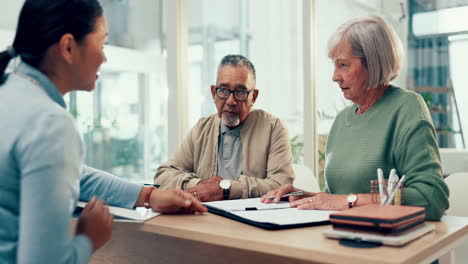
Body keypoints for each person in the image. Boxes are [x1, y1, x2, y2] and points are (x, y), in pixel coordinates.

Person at [0, 1, 206, 263]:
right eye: (102, 43)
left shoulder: (10, 94)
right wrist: (89, 239)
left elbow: (71, 174)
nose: (104, 57)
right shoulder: (49, 123)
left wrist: (148, 195)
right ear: (68, 47)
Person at [261, 16, 449, 221]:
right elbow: (338, 199)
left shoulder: (407, 108)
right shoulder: (342, 120)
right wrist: (303, 196)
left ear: (373, 62)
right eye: (335, 65)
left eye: (343, 65)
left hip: (387, 243)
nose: (335, 76)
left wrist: (346, 201)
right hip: (341, 234)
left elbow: (432, 198)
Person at [154, 54, 294, 202]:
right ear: (214, 93)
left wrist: (226, 189)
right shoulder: (202, 128)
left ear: (253, 97)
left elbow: (281, 185)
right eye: (223, 90)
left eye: (240, 92)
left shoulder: (273, 128)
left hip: (252, 220)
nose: (231, 101)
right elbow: (163, 175)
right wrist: (199, 184)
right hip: (205, 217)